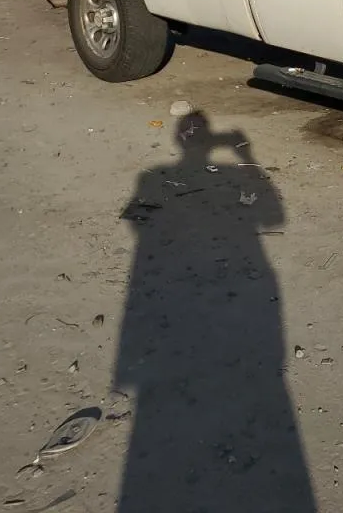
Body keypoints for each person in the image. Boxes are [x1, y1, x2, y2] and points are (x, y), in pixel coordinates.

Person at [112, 111, 316, 513]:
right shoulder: (161, 176)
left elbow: (137, 220)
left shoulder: (153, 176)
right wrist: (245, 154)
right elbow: (275, 215)